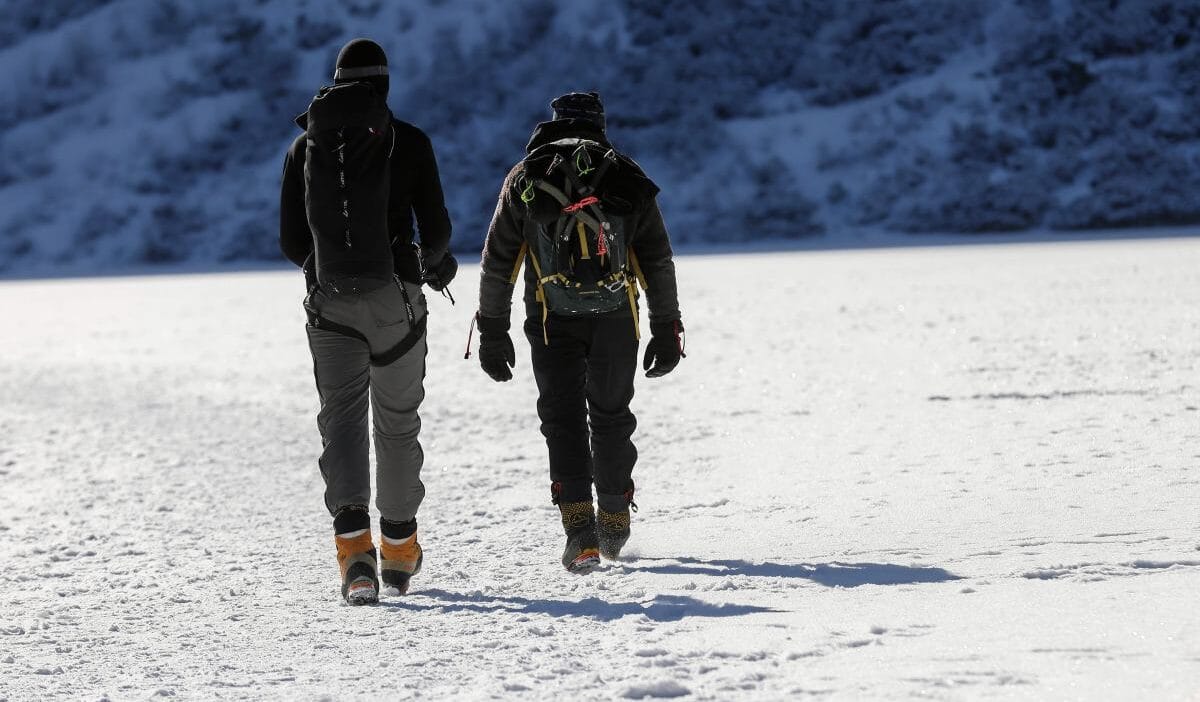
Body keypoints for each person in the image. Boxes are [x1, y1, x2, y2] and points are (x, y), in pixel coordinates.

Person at [474, 91, 685, 572]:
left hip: (551, 320)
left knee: (562, 418)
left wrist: (492, 329)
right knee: (611, 416)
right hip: (616, 318)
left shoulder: (526, 176)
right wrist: (665, 328)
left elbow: (498, 262)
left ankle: (579, 533)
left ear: (553, 122)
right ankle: (614, 517)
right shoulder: (625, 175)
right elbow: (656, 260)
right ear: (601, 123)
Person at [279, 38, 457, 604]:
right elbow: (437, 231)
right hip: (394, 302)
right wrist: (433, 265)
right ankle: (400, 554)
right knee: (397, 423)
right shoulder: (410, 142)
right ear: (384, 84)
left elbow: (291, 241)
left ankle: (356, 561)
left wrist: (327, 269)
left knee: (343, 425)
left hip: (329, 305)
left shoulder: (304, 147)